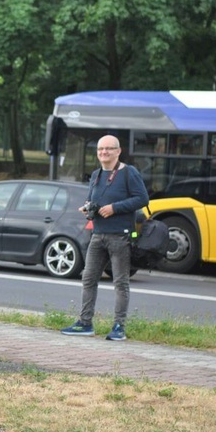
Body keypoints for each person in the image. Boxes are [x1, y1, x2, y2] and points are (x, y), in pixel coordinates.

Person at [61, 135, 149, 341]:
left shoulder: (129, 173)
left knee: (120, 283)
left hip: (120, 236)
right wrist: (87, 207)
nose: (104, 152)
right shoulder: (96, 174)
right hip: (98, 234)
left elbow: (142, 198)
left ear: (118, 151)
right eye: (101, 149)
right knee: (88, 279)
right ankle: (85, 323)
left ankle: (119, 327)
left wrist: (114, 208)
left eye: (109, 149)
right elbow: (93, 199)